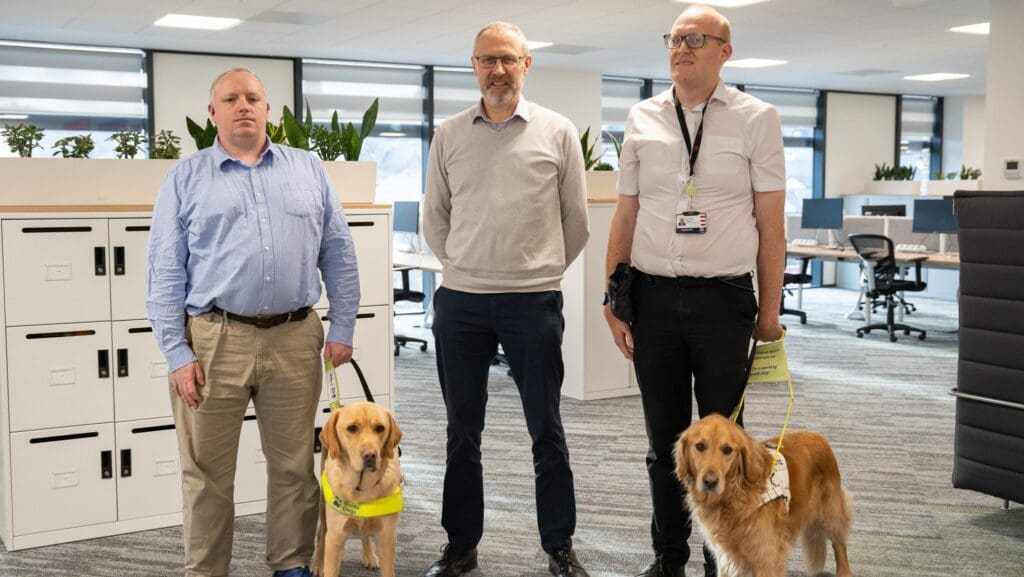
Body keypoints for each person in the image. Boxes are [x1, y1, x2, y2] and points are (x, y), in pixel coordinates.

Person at [146, 68, 360, 577]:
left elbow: (339, 252)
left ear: (268, 110)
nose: (243, 105)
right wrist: (177, 354)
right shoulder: (185, 178)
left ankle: (290, 565)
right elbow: (164, 271)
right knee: (207, 475)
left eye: (253, 98)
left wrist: (344, 326)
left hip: (294, 337)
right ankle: (206, 571)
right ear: (212, 112)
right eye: (231, 98)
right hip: (214, 341)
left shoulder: (308, 169)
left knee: (293, 468)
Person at [603, 5, 786, 577]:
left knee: (724, 446)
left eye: (695, 39)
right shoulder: (642, 118)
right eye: (674, 39)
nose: (681, 48)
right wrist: (615, 299)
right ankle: (669, 558)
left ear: (723, 52)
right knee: (667, 446)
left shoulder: (758, 118)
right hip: (654, 300)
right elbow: (626, 213)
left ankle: (721, 560)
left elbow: (772, 224)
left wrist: (770, 310)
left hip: (724, 303)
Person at [420, 21, 591, 577]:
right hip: (462, 302)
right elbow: (435, 218)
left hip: (532, 303)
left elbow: (576, 223)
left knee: (546, 429)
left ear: (526, 65)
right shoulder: (448, 134)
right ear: (473, 66)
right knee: (461, 431)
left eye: (508, 59)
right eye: (487, 60)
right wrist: (467, 266)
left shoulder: (558, 131)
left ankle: (559, 547)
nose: (498, 70)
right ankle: (461, 546)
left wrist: (536, 270)